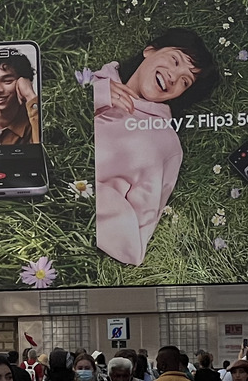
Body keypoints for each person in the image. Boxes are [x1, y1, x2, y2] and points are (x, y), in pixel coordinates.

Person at [91, 29, 221, 265]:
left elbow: (132, 243)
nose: (173, 78)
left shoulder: (164, 142)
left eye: (185, 81)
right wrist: (94, 95)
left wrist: (91, 196)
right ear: (150, 50)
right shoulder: (91, 81)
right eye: (175, 60)